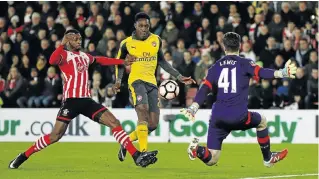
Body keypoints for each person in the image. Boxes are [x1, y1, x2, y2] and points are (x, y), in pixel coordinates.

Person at [8, 29, 158, 169]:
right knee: (55, 136)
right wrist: (61, 44)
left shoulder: (84, 56)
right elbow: (52, 61)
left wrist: (122, 62)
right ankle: (23, 156)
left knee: (114, 122)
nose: (79, 41)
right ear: (68, 41)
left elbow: (101, 60)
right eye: (75, 39)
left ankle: (136, 156)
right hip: (71, 101)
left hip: (86, 101)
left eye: (80, 39)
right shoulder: (64, 55)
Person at [181, 32, 297, 167]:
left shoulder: (215, 67)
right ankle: (267, 158)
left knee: (212, 159)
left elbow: (205, 88)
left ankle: (198, 150)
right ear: (240, 46)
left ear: (224, 47)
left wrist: (194, 107)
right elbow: (261, 72)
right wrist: (281, 73)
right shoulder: (244, 63)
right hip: (238, 115)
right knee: (262, 121)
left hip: (218, 117)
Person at [114, 12, 195, 162]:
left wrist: (179, 76)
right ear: (135, 26)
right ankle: (143, 152)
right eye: (141, 26)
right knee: (142, 111)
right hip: (136, 82)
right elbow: (119, 63)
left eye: (147, 25)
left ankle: (125, 143)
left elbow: (162, 62)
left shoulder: (156, 40)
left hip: (152, 84)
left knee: (152, 124)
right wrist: (118, 80)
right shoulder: (127, 43)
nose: (144, 28)